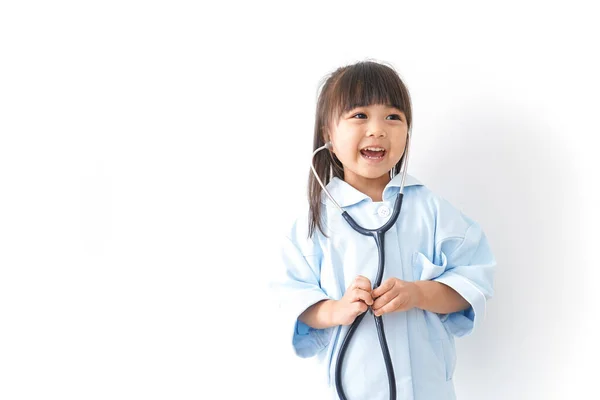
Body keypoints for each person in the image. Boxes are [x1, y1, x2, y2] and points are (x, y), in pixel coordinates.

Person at [271, 60, 496, 400]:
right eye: (359, 115)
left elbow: (472, 284)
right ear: (328, 135)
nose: (377, 129)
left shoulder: (432, 210)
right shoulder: (313, 223)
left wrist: (418, 293)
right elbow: (292, 299)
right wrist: (337, 309)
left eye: (393, 117)